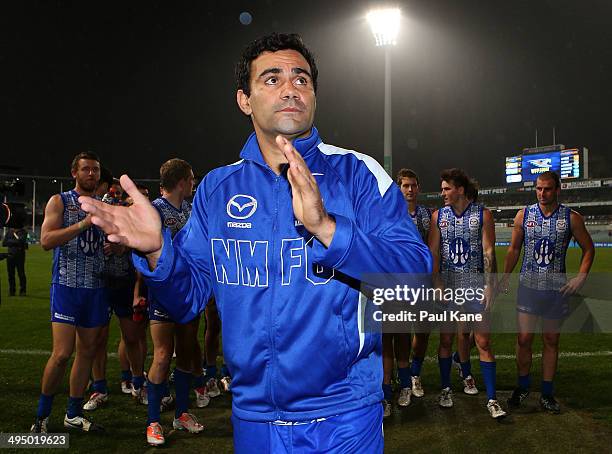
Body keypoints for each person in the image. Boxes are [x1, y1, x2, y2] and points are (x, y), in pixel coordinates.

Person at [79, 33, 431, 453]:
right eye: (272, 78)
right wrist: (158, 251)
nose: (290, 88)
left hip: (344, 416)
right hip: (254, 418)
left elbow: (414, 278)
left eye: (302, 80)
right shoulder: (217, 188)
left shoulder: (357, 174)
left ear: (315, 96)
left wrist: (327, 228)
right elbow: (188, 299)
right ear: (244, 100)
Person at [501, 171, 595, 413]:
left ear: (558, 190)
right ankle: (522, 388)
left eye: (548, 189)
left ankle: (546, 393)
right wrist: (503, 276)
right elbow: (513, 249)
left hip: (556, 291)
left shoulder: (571, 218)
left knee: (551, 340)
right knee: (523, 339)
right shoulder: (524, 214)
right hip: (528, 288)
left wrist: (581, 277)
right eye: (539, 189)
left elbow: (589, 248)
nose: (542, 194)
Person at [31, 151, 108, 433]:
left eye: (96, 170)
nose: (91, 174)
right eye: (86, 169)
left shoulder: (105, 206)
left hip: (96, 288)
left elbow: (109, 243)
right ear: (74, 172)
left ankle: (73, 414)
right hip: (66, 286)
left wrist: (116, 246)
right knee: (62, 354)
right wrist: (83, 224)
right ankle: (42, 416)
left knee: (86, 352)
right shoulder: (60, 201)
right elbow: (46, 240)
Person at [428, 168, 506, 419]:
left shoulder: (483, 215)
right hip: (449, 289)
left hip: (474, 287)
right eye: (442, 189)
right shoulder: (438, 216)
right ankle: (446, 389)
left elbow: (489, 251)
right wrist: (437, 283)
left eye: (447, 188)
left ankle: (492, 399)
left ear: (460, 189)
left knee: (483, 342)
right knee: (446, 341)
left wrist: (489, 285)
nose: (443, 193)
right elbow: (433, 252)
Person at [140, 158, 205, 446]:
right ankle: (153, 422)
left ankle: (181, 413)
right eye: (191, 179)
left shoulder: (192, 211)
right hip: (164, 294)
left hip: (189, 294)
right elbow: (145, 252)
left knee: (188, 353)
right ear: (181, 182)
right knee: (163, 355)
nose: (193, 184)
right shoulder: (154, 210)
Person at [83, 180, 148, 411]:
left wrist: (125, 247)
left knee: (131, 336)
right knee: (98, 339)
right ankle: (99, 388)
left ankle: (138, 384)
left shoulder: (128, 211)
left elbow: (140, 241)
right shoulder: (91, 210)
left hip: (124, 281)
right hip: (99, 282)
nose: (112, 194)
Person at [396, 169, 432, 401]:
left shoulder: (428, 215)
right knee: (400, 333)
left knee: (423, 330)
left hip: (422, 284)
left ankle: (415, 373)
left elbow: (432, 247)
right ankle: (404, 380)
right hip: (398, 283)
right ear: (399, 188)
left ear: (418, 188)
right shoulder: (390, 214)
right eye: (405, 186)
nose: (409, 190)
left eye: (413, 185)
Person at [3, 226, 28, 296]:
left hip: (20, 255)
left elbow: (21, 241)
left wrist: (10, 241)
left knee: (21, 273)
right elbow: (4, 243)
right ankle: (12, 290)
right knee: (10, 274)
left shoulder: (23, 232)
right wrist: (15, 242)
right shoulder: (9, 232)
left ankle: (23, 291)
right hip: (10, 255)